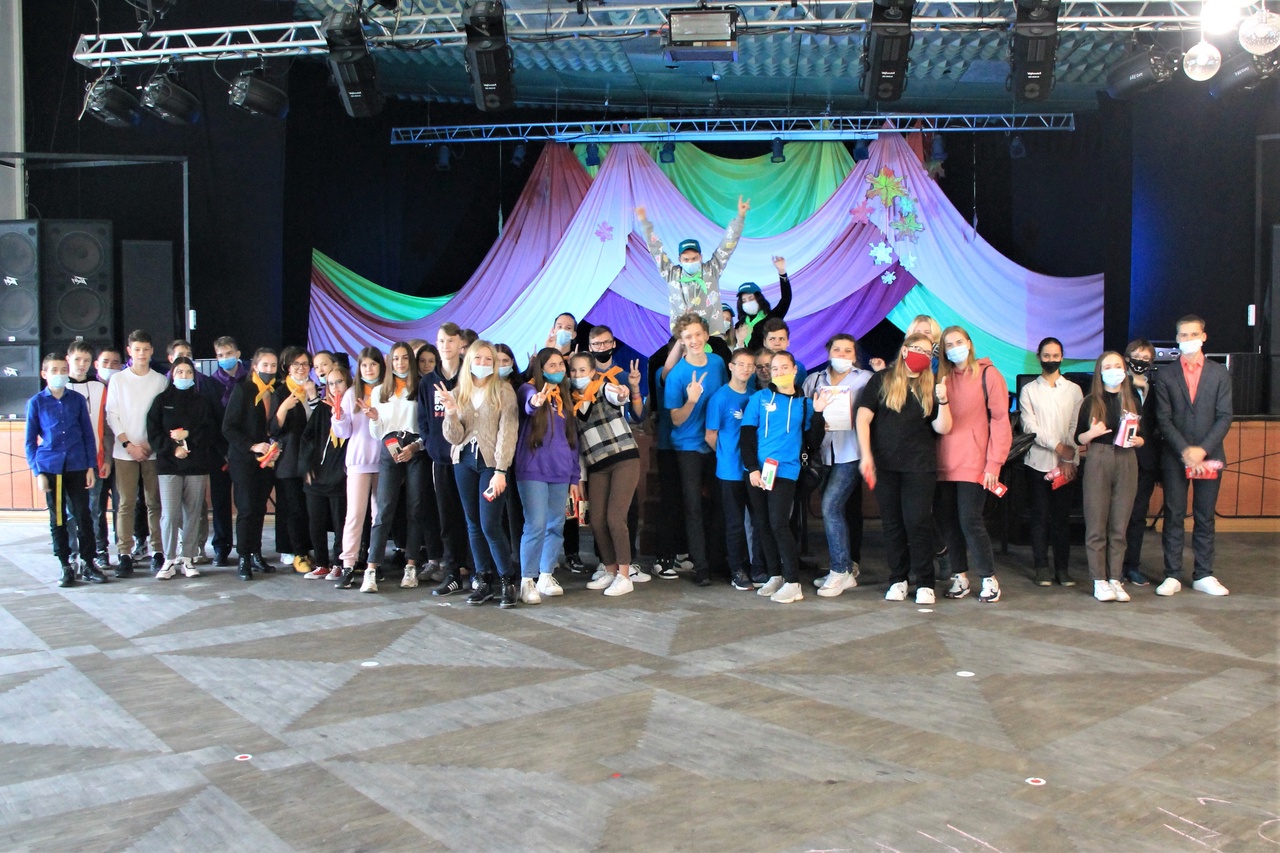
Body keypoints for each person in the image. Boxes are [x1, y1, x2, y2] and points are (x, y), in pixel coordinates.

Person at [856, 333, 952, 604]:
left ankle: (925, 582)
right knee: (892, 523)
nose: (923, 355)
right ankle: (898, 579)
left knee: (917, 521)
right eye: (918, 349)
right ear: (905, 350)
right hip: (885, 464)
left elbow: (943, 427)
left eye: (928, 352)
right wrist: (866, 455)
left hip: (920, 466)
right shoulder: (882, 380)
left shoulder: (932, 384)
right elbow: (863, 418)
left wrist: (944, 401)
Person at [1154, 315, 1233, 597]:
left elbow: (1225, 416)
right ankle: (1172, 574)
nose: (1189, 339)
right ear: (1177, 339)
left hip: (1209, 456)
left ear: (1204, 336)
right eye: (1183, 335)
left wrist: (1202, 450)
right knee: (1174, 515)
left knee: (1205, 516)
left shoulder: (1219, 373)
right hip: (1175, 457)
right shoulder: (1166, 375)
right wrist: (1185, 450)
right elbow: (1163, 419)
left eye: (1194, 334)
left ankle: (1203, 574)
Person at [935, 326, 1012, 603]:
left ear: (969, 343)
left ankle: (989, 578)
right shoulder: (940, 378)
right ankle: (960, 576)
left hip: (975, 462)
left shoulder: (989, 375)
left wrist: (994, 464)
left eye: (959, 342)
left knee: (970, 520)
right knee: (948, 522)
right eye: (949, 344)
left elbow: (1001, 421)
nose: (955, 348)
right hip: (942, 463)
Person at [440, 340, 519, 608]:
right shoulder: (458, 392)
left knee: (490, 524)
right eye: (478, 358)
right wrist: (451, 413)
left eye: (488, 359)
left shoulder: (503, 391)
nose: (483, 363)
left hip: (490, 464)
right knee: (472, 523)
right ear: (469, 361)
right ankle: (483, 580)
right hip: (463, 461)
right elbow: (454, 437)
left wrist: (501, 470)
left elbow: (508, 432)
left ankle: (507, 579)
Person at [740, 350, 813, 604]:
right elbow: (747, 435)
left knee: (779, 524)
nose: (779, 372)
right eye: (774, 368)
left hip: (786, 472)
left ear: (794, 370)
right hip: (757, 473)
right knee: (762, 523)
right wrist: (752, 468)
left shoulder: (805, 404)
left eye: (784, 367)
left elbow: (813, 439)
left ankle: (793, 582)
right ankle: (775, 575)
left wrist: (820, 413)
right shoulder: (759, 398)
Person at [662, 313, 729, 586]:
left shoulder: (718, 363)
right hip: (688, 447)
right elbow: (676, 419)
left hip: (717, 444)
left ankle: (718, 561)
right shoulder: (677, 375)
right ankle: (701, 567)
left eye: (698, 334)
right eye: (688, 336)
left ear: (706, 335)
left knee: (721, 504)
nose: (694, 340)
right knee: (693, 507)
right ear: (681, 340)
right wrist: (691, 401)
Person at [804, 334, 874, 598]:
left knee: (830, 506)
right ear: (828, 352)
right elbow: (807, 415)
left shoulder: (865, 379)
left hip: (851, 452)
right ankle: (843, 567)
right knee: (832, 511)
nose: (842, 355)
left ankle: (840, 570)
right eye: (837, 350)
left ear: (855, 355)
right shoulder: (814, 380)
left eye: (847, 351)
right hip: (822, 453)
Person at [26, 353, 103, 587]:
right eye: (54, 370)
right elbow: (30, 442)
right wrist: (38, 472)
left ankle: (89, 562)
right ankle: (65, 564)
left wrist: (91, 466)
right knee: (58, 518)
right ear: (44, 374)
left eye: (62, 370)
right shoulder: (37, 402)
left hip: (77, 465)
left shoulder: (77, 400)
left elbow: (88, 435)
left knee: (83, 515)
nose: (59, 374)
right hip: (51, 468)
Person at [570, 352, 642, 596]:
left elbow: (617, 395)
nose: (578, 375)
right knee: (597, 520)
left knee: (615, 518)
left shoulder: (603, 388)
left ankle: (625, 575)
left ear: (593, 372)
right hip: (596, 466)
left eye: (583, 370)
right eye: (574, 371)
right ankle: (610, 570)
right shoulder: (571, 402)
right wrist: (580, 477)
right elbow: (578, 446)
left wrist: (622, 393)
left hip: (624, 459)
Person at [1076, 351, 1145, 602]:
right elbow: (1078, 438)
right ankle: (1099, 580)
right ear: (1100, 371)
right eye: (1108, 366)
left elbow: (1144, 435)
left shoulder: (1133, 399)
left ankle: (1116, 578)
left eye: (1118, 365)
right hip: (1099, 457)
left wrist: (1139, 441)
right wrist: (1092, 433)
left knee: (1120, 523)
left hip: (1127, 458)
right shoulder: (1091, 402)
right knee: (1096, 522)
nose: (1114, 370)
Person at [361, 342, 429, 593]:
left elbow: (427, 427)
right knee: (384, 508)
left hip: (416, 449)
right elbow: (376, 432)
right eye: (396, 358)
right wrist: (374, 419)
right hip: (389, 447)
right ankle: (371, 568)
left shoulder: (421, 387)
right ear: (390, 362)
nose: (400, 363)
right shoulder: (380, 390)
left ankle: (411, 565)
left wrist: (416, 447)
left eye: (405, 358)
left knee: (415, 508)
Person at [514, 348, 579, 604]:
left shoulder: (565, 397)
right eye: (552, 365)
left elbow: (573, 440)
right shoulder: (528, 389)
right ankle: (527, 580)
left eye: (561, 365)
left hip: (561, 470)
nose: (558, 369)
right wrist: (536, 402)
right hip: (533, 470)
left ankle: (546, 574)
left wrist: (574, 475)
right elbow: (529, 404)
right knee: (536, 524)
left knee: (556, 525)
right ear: (540, 368)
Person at [104, 330, 169, 578]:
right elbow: (112, 415)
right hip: (125, 452)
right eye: (137, 349)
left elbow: (162, 418)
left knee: (154, 502)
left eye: (146, 349)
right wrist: (128, 445)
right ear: (129, 351)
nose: (141, 354)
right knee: (126, 503)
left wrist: (151, 445)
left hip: (152, 451)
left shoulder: (160, 381)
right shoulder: (118, 380)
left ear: (152, 351)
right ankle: (125, 553)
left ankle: (158, 551)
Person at [146, 356, 218, 580]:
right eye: (180, 372)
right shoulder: (161, 401)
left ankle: (188, 557)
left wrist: (188, 437)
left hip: (196, 465)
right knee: (170, 514)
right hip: (169, 465)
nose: (184, 376)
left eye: (188, 372)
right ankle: (169, 559)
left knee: (193, 513)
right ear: (172, 375)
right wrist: (173, 448)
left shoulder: (202, 401)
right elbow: (154, 432)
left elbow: (209, 430)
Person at [1019, 337, 1083, 586]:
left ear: (1062, 357)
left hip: (1066, 464)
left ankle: (1062, 569)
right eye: (1046, 355)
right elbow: (1030, 426)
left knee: (1061, 518)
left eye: (1055, 355)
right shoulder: (1029, 390)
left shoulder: (1074, 390)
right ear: (1039, 357)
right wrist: (1057, 446)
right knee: (1039, 517)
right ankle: (1041, 568)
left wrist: (1069, 457)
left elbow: (1076, 425)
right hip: (1037, 462)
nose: (1051, 360)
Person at [637, 196, 749, 336]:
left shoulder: (712, 270)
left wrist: (740, 218)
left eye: (694, 258)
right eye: (686, 259)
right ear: (680, 259)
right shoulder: (672, 274)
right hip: (683, 336)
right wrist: (645, 223)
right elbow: (656, 250)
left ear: (701, 257)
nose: (690, 262)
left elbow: (726, 246)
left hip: (712, 334)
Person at [419, 323, 472, 596]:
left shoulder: (470, 376)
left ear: (460, 343)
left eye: (450, 341)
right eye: (441, 341)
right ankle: (452, 573)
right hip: (441, 459)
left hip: (468, 458)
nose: (445, 346)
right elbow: (423, 419)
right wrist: (431, 444)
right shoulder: (427, 382)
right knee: (448, 518)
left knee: (472, 516)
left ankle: (477, 571)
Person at [222, 348, 281, 581]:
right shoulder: (243, 389)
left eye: (273, 365)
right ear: (255, 366)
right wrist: (252, 446)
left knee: (259, 508)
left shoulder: (276, 391)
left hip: (268, 461)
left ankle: (256, 553)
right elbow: (229, 428)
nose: (269, 369)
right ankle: (244, 557)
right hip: (244, 460)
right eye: (265, 365)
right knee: (246, 509)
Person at [332, 347, 384, 589]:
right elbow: (343, 432)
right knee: (354, 514)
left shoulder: (387, 392)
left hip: (383, 461)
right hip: (358, 461)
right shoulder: (352, 393)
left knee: (379, 515)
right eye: (364, 365)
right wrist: (338, 416)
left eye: (373, 364)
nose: (369, 369)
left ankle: (375, 563)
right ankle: (348, 565)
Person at [705, 348, 756, 591]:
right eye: (740, 364)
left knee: (756, 521)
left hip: (753, 470)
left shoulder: (755, 397)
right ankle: (737, 569)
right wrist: (726, 455)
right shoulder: (720, 398)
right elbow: (710, 435)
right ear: (731, 367)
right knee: (734, 523)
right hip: (730, 471)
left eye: (750, 365)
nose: (745, 369)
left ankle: (757, 566)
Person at [270, 346, 321, 573]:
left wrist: (312, 397)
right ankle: (296, 551)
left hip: (310, 457)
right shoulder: (280, 392)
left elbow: (319, 423)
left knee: (309, 507)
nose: (301, 368)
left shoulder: (314, 388)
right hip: (289, 459)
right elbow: (273, 429)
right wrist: (283, 408)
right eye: (296, 364)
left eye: (305, 364)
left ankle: (307, 550)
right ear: (287, 367)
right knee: (292, 508)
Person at [65, 341, 114, 575]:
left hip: (95, 459)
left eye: (86, 360)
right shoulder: (60, 387)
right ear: (68, 359)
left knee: (94, 510)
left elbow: (105, 426)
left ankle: (95, 554)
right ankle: (72, 555)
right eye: (77, 359)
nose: (81, 365)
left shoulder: (99, 388)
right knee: (70, 513)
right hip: (67, 463)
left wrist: (107, 459)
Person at [300, 365, 351, 582]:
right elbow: (307, 438)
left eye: (339, 382)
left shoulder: (353, 406)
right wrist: (306, 466)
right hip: (317, 474)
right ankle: (321, 563)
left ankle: (339, 563)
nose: (335, 387)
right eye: (330, 383)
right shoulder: (322, 408)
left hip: (341, 475)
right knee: (316, 521)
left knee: (341, 523)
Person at [1120, 339, 1161, 586]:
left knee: (1137, 516)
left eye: (1146, 358)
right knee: (1117, 515)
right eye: (1137, 356)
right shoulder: (1116, 385)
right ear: (1127, 357)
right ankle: (1113, 566)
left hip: (1145, 461)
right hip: (1120, 458)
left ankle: (1132, 566)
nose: (1141, 361)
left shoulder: (1155, 388)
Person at [207, 336, 249, 566]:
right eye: (221, 355)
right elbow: (210, 421)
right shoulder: (211, 384)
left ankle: (247, 549)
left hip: (244, 450)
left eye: (229, 353)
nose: (225, 358)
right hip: (219, 451)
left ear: (238, 353)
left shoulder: (249, 379)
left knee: (245, 502)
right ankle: (221, 547)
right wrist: (223, 450)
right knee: (220, 501)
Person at [734, 255, 792, 350]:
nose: (747, 303)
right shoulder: (739, 325)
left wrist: (782, 272)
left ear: (759, 299)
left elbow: (786, 299)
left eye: (751, 298)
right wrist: (740, 341)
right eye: (744, 301)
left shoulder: (771, 318)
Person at [758, 319, 807, 386]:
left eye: (781, 339)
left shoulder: (799, 367)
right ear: (764, 342)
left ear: (788, 342)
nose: (777, 343)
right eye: (772, 339)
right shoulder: (756, 367)